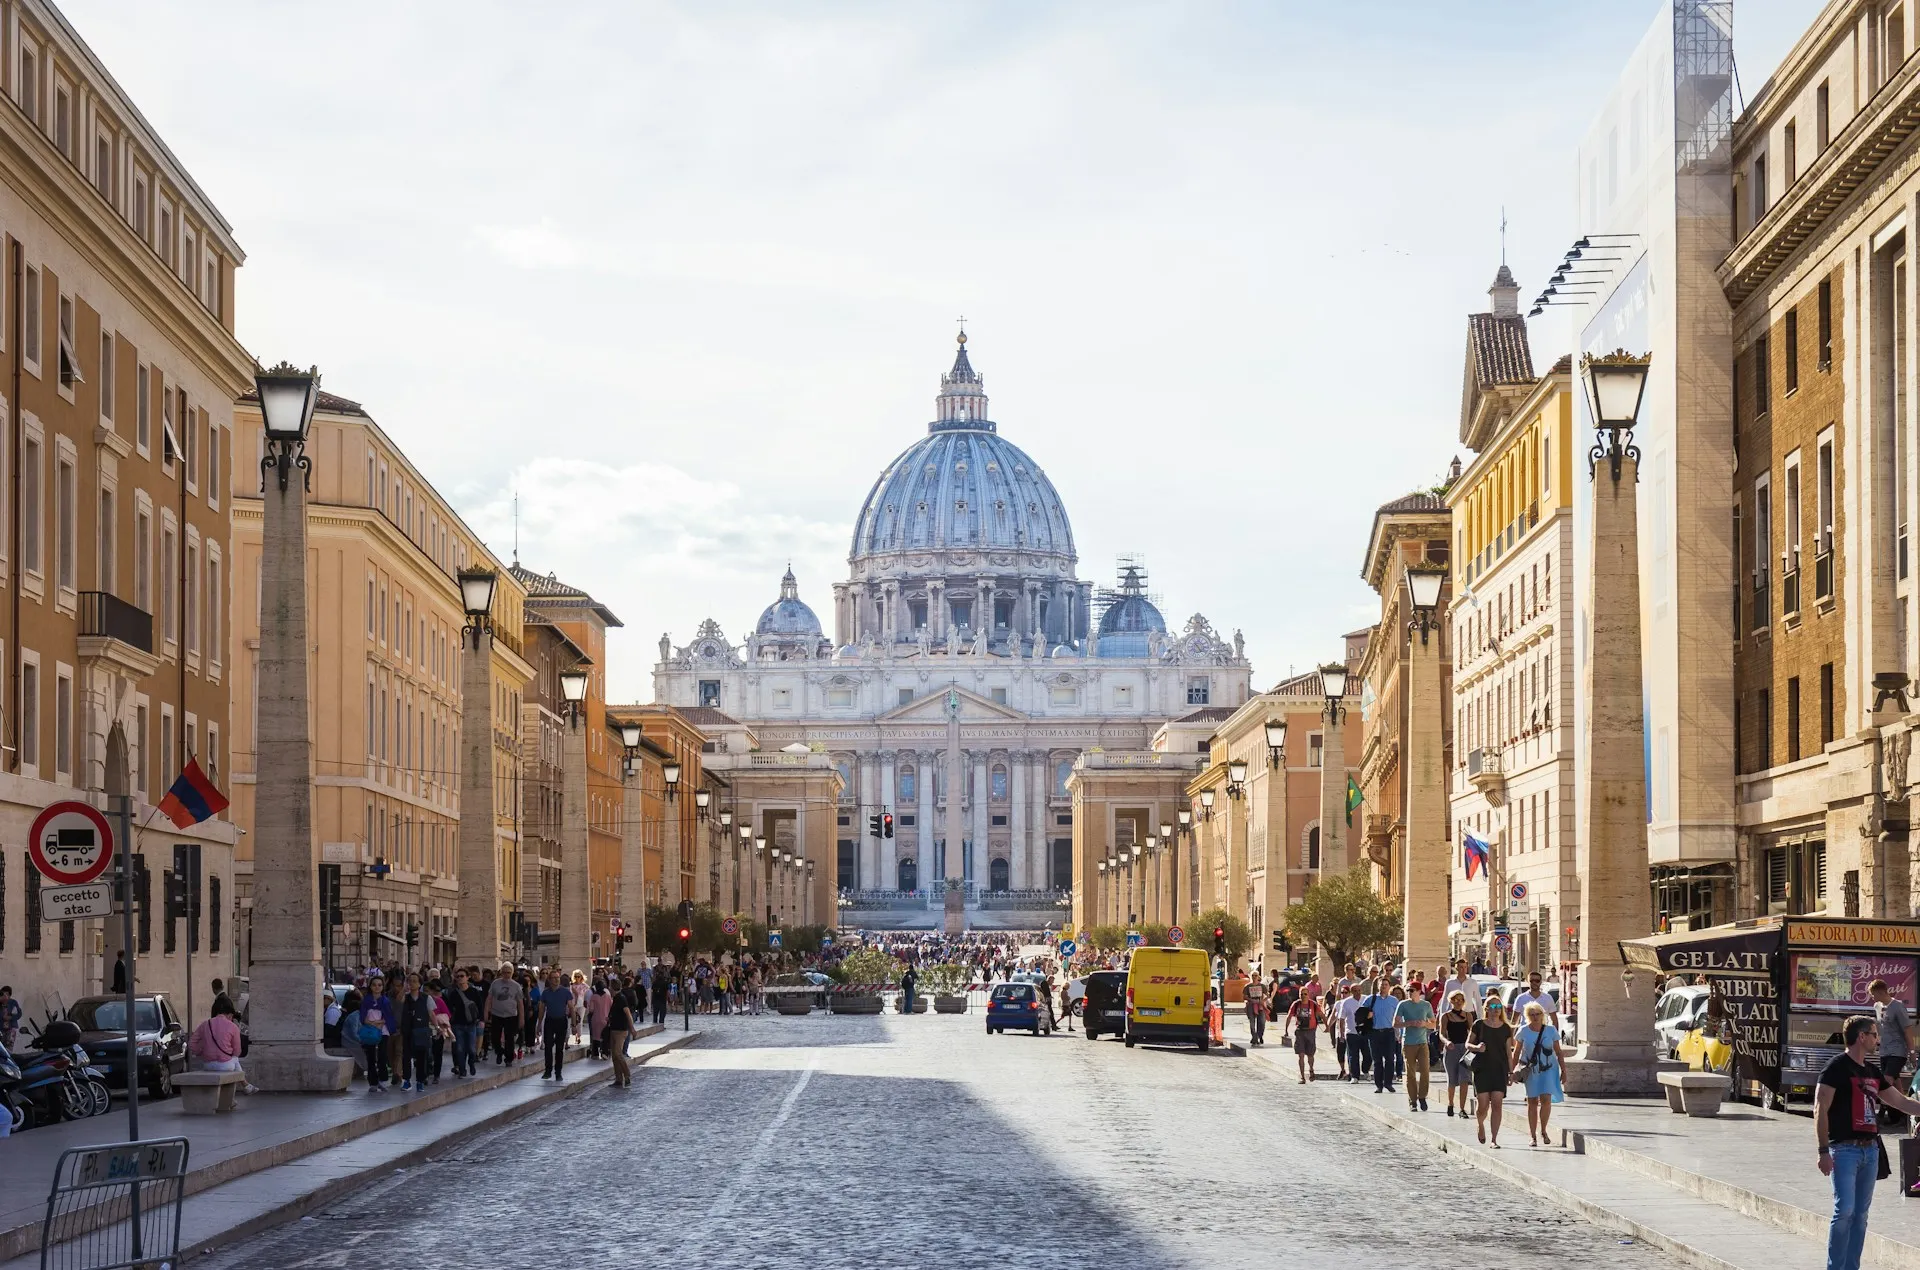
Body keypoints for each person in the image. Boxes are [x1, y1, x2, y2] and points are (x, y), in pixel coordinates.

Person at [1818, 1015, 1920, 1270]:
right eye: (1874, 1034)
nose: (1878, 1039)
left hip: (1870, 1150)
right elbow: (1820, 1110)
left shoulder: (1872, 1071)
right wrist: (1822, 1151)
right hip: (1843, 1150)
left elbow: (1900, 1102)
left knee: (1861, 1216)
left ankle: (1852, 1266)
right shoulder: (1835, 1068)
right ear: (1861, 1037)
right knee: (1845, 1211)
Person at [1515, 1001, 1565, 1146]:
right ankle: (1533, 1135)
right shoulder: (1523, 1031)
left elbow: (1559, 1051)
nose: (1535, 1017)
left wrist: (1564, 1071)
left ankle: (1543, 1130)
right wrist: (1512, 1071)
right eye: (1532, 1014)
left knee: (1546, 1100)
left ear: (1542, 1015)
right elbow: (1516, 1052)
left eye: (1538, 1014)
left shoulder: (1550, 1030)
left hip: (1549, 1070)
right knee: (1531, 1101)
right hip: (1531, 1070)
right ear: (1527, 1016)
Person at [1468, 998, 1516, 1147]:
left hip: (1499, 1070)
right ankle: (1480, 1124)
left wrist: (1511, 1072)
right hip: (1482, 1069)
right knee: (1482, 1105)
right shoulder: (1479, 1025)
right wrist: (1477, 1048)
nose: (1496, 1009)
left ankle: (1494, 1139)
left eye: (1498, 1006)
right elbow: (1467, 1044)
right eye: (1492, 1006)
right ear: (1486, 1008)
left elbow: (1509, 1053)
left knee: (1497, 1104)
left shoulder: (1506, 1028)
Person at [1871, 978, 1915, 1127]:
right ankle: (1901, 1116)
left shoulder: (1897, 1007)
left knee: (1886, 1082)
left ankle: (1880, 1115)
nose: (1872, 997)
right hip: (1884, 1051)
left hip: (1897, 1051)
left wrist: (1912, 1051)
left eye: (1873, 994)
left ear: (1881, 991)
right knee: (1896, 1086)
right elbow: (1880, 1028)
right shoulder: (1878, 1007)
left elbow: (1907, 1030)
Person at [1396, 983, 1436, 1111]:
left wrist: (1424, 1023)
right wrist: (1409, 1023)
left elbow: (1433, 1024)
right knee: (1410, 1073)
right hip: (1408, 1043)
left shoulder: (1426, 1005)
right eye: (1407, 990)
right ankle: (1412, 1101)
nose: (1409, 992)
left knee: (1425, 1070)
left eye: (1411, 990)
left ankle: (1422, 1097)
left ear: (1419, 991)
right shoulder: (1403, 1004)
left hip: (1422, 1042)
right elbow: (1395, 1023)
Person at [1439, 991, 1475, 1118]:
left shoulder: (1468, 1015)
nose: (1458, 1002)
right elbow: (1441, 1033)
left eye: (1461, 999)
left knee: (1464, 1078)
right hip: (1451, 1048)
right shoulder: (1445, 1016)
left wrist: (1471, 1046)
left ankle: (1462, 1108)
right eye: (1456, 999)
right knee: (1452, 1079)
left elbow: (1471, 1032)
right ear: (1451, 1001)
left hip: (1464, 1049)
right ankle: (1450, 1103)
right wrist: (1447, 1042)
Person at [357, 974, 395, 1091]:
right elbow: (362, 1016)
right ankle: (373, 1082)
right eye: (374, 985)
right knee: (371, 1057)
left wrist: (380, 1022)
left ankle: (383, 1080)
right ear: (370, 986)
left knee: (383, 1056)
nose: (377, 987)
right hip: (369, 1030)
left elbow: (388, 1017)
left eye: (379, 985)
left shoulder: (385, 1001)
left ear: (383, 987)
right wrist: (371, 1023)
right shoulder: (366, 1000)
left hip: (383, 1031)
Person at [535, 970, 573, 1079]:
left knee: (559, 1048)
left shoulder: (565, 992)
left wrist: (574, 1024)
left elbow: (571, 1008)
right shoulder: (546, 993)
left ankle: (558, 1072)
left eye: (558, 977)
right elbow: (542, 1009)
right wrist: (539, 1025)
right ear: (550, 980)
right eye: (554, 978)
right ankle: (548, 1071)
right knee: (548, 1047)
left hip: (561, 1021)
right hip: (550, 1021)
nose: (556, 980)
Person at [444, 968, 482, 1077]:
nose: (460, 978)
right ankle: (462, 1069)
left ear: (467, 977)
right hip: (458, 1024)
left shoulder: (474, 991)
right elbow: (449, 1009)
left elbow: (480, 1006)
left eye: (462, 976)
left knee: (471, 1048)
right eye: (458, 976)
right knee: (459, 1048)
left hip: (471, 1024)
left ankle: (471, 1062)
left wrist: (480, 1019)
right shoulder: (453, 993)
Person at [485, 962, 523, 1066]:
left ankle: (509, 1059)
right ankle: (499, 1051)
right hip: (496, 1014)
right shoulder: (495, 983)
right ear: (501, 972)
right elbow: (489, 998)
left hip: (511, 1015)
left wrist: (521, 1019)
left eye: (509, 973)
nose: (506, 975)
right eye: (505, 972)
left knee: (509, 1038)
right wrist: (486, 1012)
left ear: (512, 973)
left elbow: (520, 1003)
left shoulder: (516, 986)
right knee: (495, 1038)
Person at [605, 977, 636, 1088]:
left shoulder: (621, 998)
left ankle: (627, 1075)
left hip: (621, 1031)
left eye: (609, 986)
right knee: (614, 1056)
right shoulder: (616, 998)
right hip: (614, 1029)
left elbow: (628, 1014)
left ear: (612, 988)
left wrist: (632, 1029)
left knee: (618, 1054)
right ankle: (618, 1079)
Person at [1286, 991, 1321, 1082]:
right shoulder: (1296, 1004)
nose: (1303, 996)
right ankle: (1302, 1077)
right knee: (1301, 1055)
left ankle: (1311, 1069)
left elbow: (1321, 1014)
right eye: (1301, 994)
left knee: (1310, 1054)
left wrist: (1327, 1026)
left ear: (1308, 994)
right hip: (1300, 1032)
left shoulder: (1313, 1004)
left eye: (1305, 994)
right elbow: (1289, 1016)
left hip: (1310, 1031)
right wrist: (1286, 1029)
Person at [1243, 973, 1268, 1046]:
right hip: (1251, 1005)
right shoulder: (1247, 986)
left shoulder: (1262, 986)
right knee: (1252, 1022)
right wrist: (1251, 1000)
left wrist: (1263, 1001)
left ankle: (1259, 1036)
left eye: (1255, 975)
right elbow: (1244, 997)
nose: (1254, 977)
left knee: (1262, 1022)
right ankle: (1254, 1037)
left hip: (1260, 1005)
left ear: (1258, 977)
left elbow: (1267, 995)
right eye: (1253, 976)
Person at [1, 985, 23, 1053]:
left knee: (8, 1048)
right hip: (1, 1029)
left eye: (7, 994)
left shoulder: (13, 1002)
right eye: (3, 994)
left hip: (11, 1028)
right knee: (1, 1048)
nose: (5, 996)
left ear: (10, 995)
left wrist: (11, 1017)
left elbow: (19, 1014)